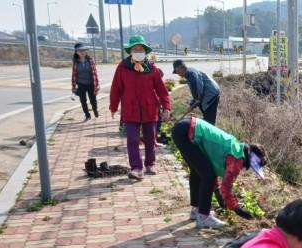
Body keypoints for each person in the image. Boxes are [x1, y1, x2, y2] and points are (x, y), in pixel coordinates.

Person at [171, 116, 265, 229]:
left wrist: (216, 190)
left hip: (183, 128)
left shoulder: (235, 147)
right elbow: (226, 187)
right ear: (249, 159)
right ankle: (203, 217)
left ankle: (196, 211)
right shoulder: (236, 159)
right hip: (187, 132)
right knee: (207, 176)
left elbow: (211, 164)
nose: (246, 168)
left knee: (198, 172)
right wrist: (237, 209)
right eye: (250, 166)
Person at [109, 35, 171, 181]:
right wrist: (113, 106)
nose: (138, 51)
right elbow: (116, 88)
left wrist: (166, 107)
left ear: (145, 51)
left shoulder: (152, 69)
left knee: (150, 138)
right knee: (132, 139)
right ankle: (136, 168)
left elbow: (162, 90)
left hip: (149, 109)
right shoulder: (123, 67)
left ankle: (150, 164)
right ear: (130, 51)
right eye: (135, 49)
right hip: (130, 110)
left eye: (140, 49)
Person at [172, 59, 221, 124]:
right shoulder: (189, 73)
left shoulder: (191, 74)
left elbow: (198, 90)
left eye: (177, 71)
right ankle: (207, 130)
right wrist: (193, 103)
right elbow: (196, 93)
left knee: (209, 120)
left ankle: (210, 132)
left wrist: (196, 101)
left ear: (181, 68)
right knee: (207, 117)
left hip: (211, 94)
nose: (177, 74)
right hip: (210, 93)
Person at [71, 43, 100, 122]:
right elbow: (74, 75)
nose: (82, 52)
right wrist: (73, 86)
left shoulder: (90, 61)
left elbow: (95, 74)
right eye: (80, 51)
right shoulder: (76, 62)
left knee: (93, 100)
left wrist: (97, 85)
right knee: (83, 101)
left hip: (91, 84)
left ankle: (95, 111)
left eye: (83, 50)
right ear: (76, 52)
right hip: (81, 84)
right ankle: (87, 115)